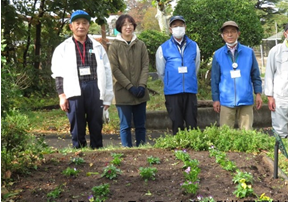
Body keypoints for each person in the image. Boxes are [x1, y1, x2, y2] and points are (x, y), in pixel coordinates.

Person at [51, 10, 114, 149]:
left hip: (94, 87)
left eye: (84, 23)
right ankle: (78, 154)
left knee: (96, 124)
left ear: (88, 26)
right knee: (77, 125)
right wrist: (62, 95)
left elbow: (107, 71)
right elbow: (58, 73)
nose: (81, 26)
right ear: (71, 26)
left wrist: (108, 97)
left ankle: (97, 151)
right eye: (77, 23)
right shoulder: (62, 48)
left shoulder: (97, 46)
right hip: (73, 88)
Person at [211, 21, 263, 130]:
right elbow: (215, 79)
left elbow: (255, 75)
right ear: (222, 36)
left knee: (247, 133)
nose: (230, 35)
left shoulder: (249, 52)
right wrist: (216, 99)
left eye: (233, 32)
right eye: (226, 32)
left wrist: (258, 93)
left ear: (238, 34)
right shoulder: (218, 54)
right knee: (226, 134)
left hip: (246, 99)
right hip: (226, 100)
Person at [108, 14, 149, 147]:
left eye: (130, 24)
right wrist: (130, 86)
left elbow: (145, 66)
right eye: (125, 24)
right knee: (125, 126)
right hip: (122, 92)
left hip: (140, 92)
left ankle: (142, 151)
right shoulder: (114, 46)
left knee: (140, 126)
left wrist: (142, 85)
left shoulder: (141, 45)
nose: (128, 27)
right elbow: (114, 70)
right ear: (120, 27)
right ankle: (126, 152)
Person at [156, 16, 201, 135]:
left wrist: (188, 78)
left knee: (192, 123)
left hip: (190, 90)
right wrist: (171, 82)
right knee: (177, 123)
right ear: (170, 29)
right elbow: (161, 71)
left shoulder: (194, 46)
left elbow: (196, 66)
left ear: (185, 27)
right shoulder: (163, 48)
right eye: (175, 26)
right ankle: (179, 149)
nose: (178, 28)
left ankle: (194, 149)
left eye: (181, 25)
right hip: (172, 92)